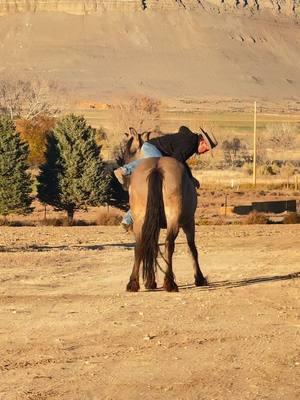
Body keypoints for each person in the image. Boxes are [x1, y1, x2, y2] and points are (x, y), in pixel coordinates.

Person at [114, 126, 218, 230]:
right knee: (158, 163)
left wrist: (190, 177)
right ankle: (125, 170)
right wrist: (189, 178)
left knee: (154, 189)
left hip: (158, 151)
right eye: (206, 149)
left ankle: (128, 218)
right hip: (152, 148)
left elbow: (180, 161)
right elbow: (175, 161)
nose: (205, 152)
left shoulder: (191, 141)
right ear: (203, 142)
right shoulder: (190, 143)